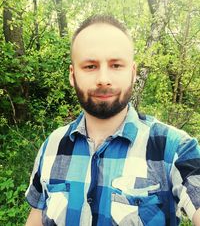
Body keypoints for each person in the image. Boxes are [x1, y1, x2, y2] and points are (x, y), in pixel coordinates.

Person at [25, 15, 200, 226]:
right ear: (72, 75)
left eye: (116, 65)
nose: (103, 79)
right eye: (90, 66)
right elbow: (36, 218)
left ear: (133, 73)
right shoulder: (52, 145)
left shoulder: (175, 149)